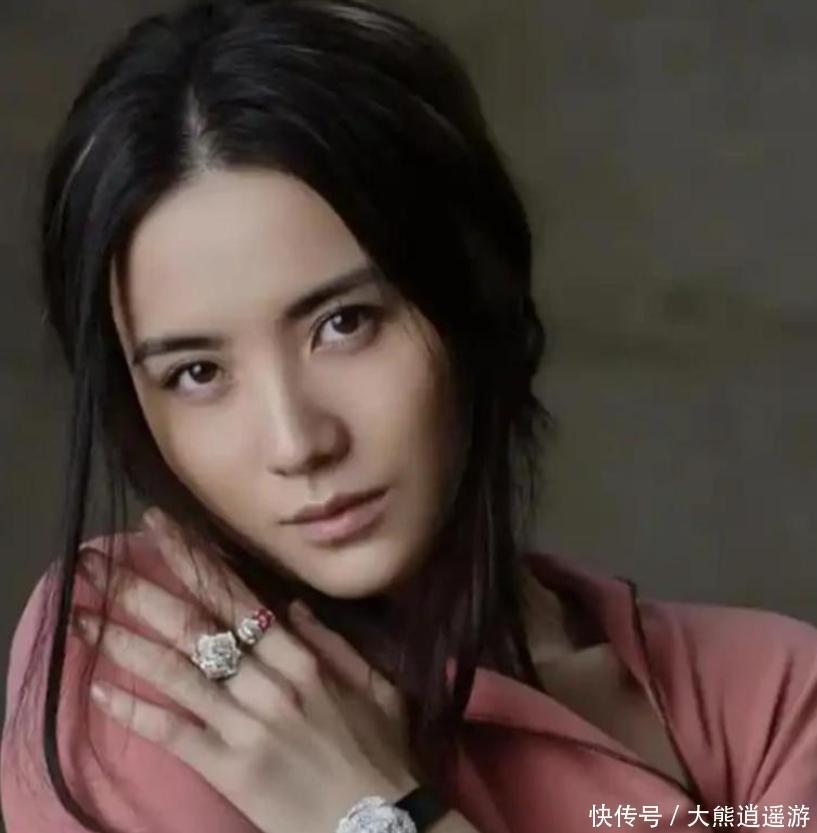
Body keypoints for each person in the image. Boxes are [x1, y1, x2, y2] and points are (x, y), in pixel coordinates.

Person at [2, 1, 817, 831]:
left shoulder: (770, 702)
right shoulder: (151, 655)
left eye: (344, 324)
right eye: (197, 372)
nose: (297, 442)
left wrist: (377, 809)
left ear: (474, 287)